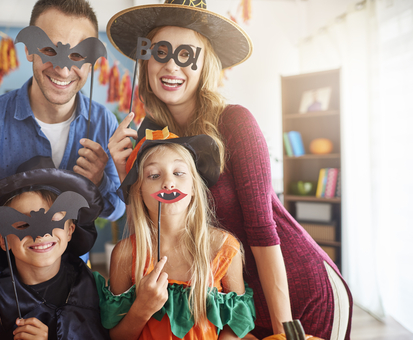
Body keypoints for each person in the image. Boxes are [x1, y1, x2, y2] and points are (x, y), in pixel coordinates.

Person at [106, 1, 352, 339]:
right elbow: (156, 230)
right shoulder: (150, 138)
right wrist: (126, 177)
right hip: (229, 303)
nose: (171, 66)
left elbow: (262, 229)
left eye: (186, 54)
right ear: (146, 61)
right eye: (161, 52)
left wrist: (285, 330)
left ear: (204, 62)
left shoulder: (234, 122)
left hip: (294, 294)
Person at [0, 0, 124, 288]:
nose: (62, 69)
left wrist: (98, 183)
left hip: (77, 289)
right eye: (50, 50)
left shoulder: (104, 124)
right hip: (2, 288)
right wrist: (10, 218)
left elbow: (117, 210)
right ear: (28, 49)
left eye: (76, 54)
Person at [96, 128, 256, 339]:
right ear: (139, 190)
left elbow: (235, 328)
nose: (168, 183)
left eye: (179, 173)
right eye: (154, 175)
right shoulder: (125, 255)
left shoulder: (223, 249)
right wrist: (142, 308)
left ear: (193, 185)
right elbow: (117, 336)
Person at [0, 156, 110, 340]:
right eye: (23, 225)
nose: (41, 235)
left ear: (70, 230)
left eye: (54, 220)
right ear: (2, 239)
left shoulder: (98, 294)